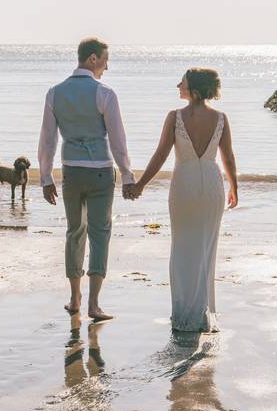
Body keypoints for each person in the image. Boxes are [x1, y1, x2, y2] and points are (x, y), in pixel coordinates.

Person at [37, 37, 138, 322]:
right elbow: (118, 142)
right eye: (106, 60)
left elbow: (47, 141)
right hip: (100, 171)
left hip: (71, 171)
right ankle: (94, 304)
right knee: (100, 233)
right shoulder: (105, 93)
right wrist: (128, 175)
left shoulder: (54, 93)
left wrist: (46, 178)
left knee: (74, 232)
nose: (107, 66)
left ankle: (74, 298)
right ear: (93, 59)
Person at [132, 68, 238, 332]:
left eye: (183, 82)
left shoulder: (174, 117)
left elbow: (160, 155)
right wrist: (234, 187)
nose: (178, 84)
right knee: (206, 249)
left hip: (184, 187)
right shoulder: (221, 118)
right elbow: (228, 158)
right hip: (212, 186)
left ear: (196, 89)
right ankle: (202, 312)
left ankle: (183, 315)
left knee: (182, 249)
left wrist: (141, 184)